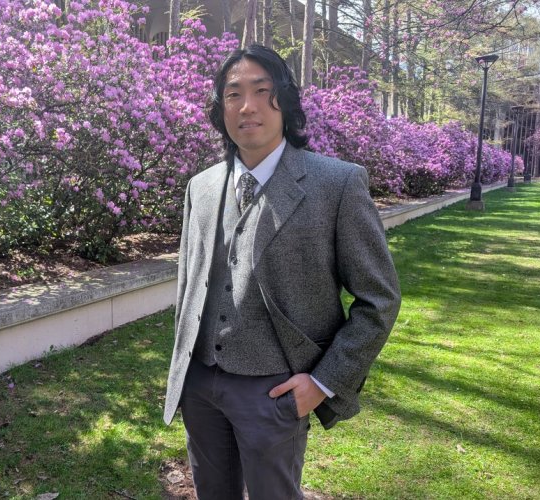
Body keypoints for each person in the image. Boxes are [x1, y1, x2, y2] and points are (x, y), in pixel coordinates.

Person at [162, 44, 402, 499]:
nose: (247, 106)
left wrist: (324, 381)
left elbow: (380, 299)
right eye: (233, 94)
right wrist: (184, 368)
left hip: (275, 392)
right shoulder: (202, 186)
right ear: (221, 108)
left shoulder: (337, 183)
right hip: (199, 384)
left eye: (262, 91)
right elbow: (190, 284)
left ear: (285, 102)